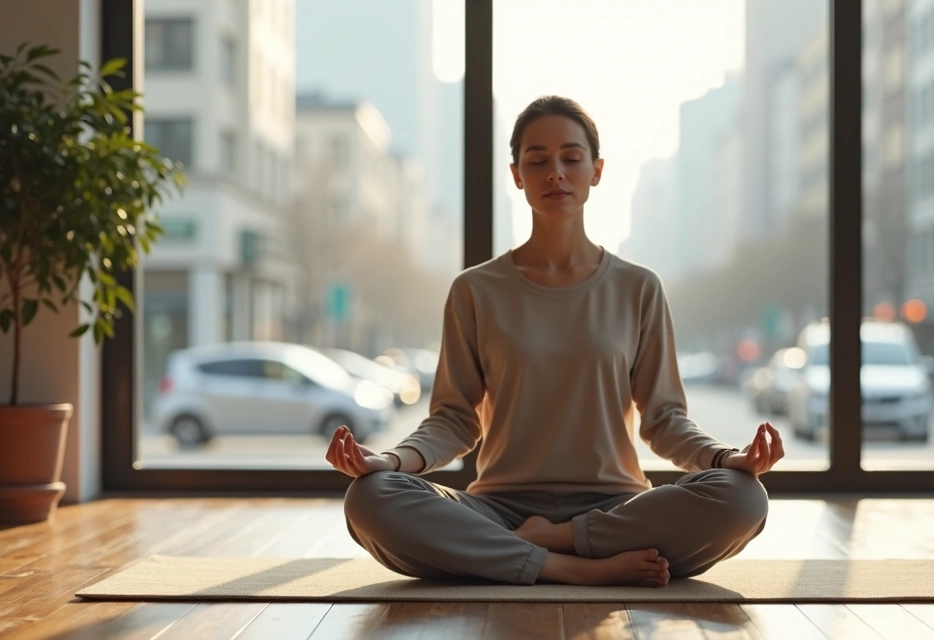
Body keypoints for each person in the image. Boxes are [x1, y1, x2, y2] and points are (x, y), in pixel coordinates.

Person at [326, 95, 784, 588]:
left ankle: (548, 545)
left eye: (571, 158)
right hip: (499, 510)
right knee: (369, 499)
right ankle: (571, 567)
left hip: (616, 509)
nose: (555, 173)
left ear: (597, 170)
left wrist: (727, 460)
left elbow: (665, 420)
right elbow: (454, 420)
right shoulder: (475, 290)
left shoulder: (639, 287)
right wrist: (388, 462)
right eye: (537, 161)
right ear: (517, 174)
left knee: (744, 497)